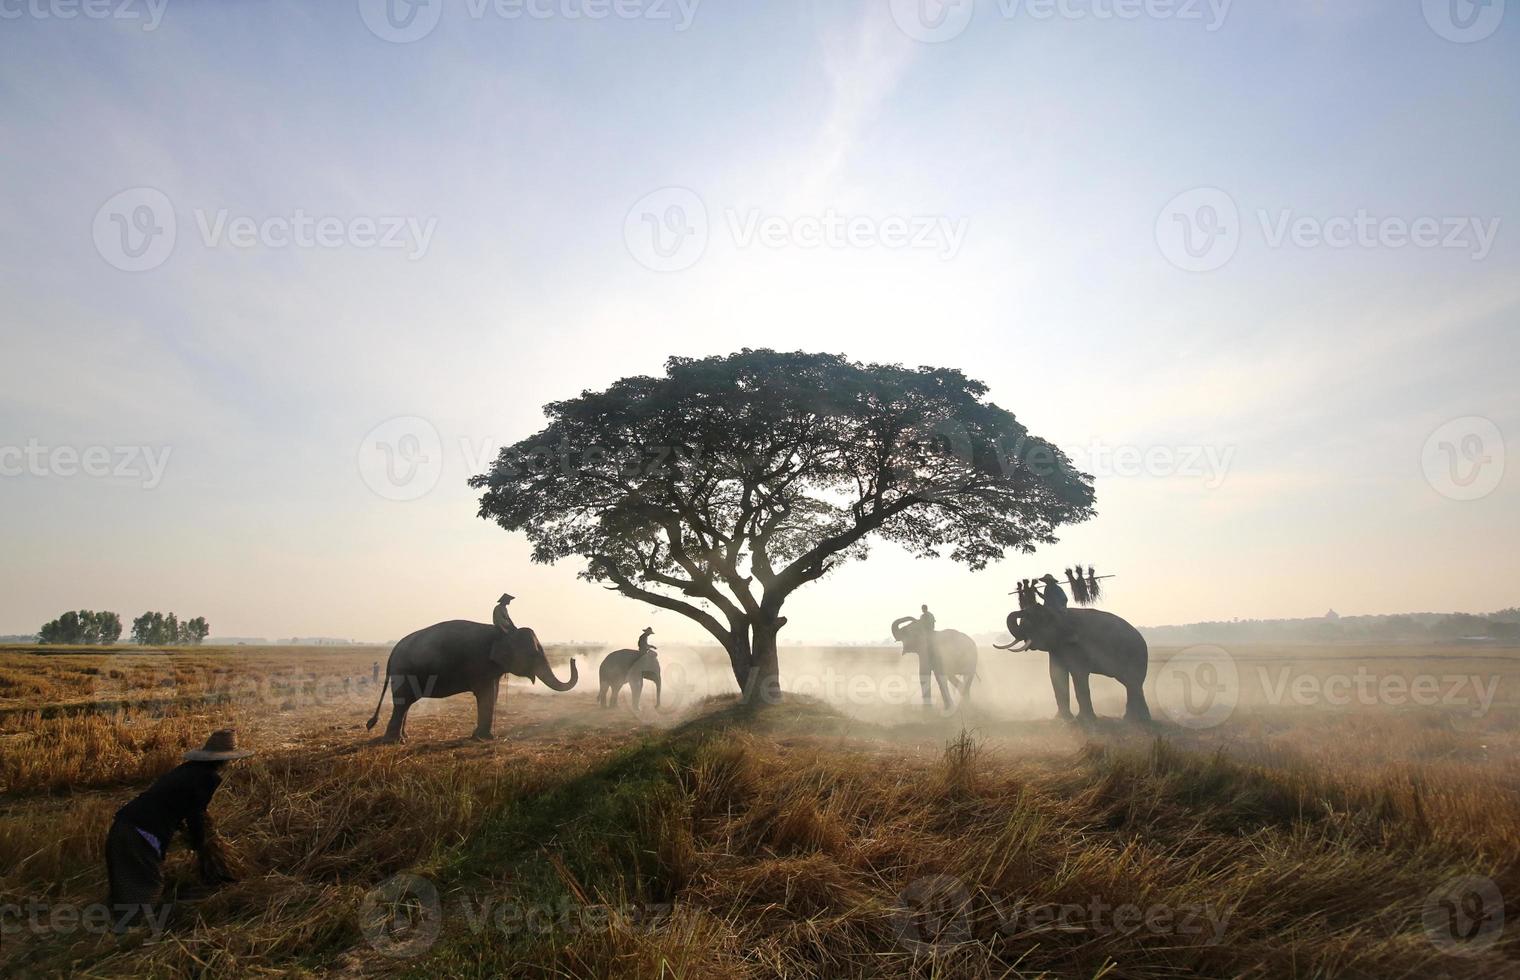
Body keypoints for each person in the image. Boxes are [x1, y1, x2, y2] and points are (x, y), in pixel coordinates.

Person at [106, 729, 251, 927]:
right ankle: (133, 933)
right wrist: (201, 842)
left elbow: (177, 804)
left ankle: (120, 925)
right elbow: (195, 813)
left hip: (124, 824)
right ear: (225, 759)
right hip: (141, 833)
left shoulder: (187, 770)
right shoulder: (208, 777)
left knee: (126, 883)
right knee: (149, 884)